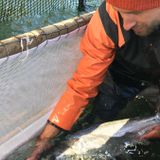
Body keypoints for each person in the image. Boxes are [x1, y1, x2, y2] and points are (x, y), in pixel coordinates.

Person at [27, 0, 160, 159]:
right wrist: (46, 138)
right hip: (121, 77)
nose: (126, 25)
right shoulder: (106, 21)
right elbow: (83, 85)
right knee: (100, 116)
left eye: (135, 14)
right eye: (120, 13)